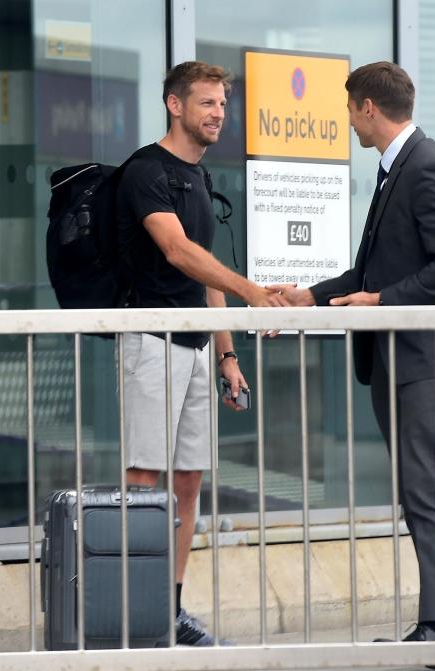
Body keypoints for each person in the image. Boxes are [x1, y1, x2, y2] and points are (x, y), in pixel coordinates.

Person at [273, 61, 435, 665]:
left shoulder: (427, 167)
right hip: (402, 353)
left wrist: (380, 301)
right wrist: (314, 295)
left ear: (369, 108)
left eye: (350, 110)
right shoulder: (395, 168)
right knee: (424, 485)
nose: (348, 121)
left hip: (423, 354)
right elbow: (375, 270)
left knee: (426, 487)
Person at [116, 61, 289, 646]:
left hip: (196, 346)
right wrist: (251, 292)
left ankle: (169, 608)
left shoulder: (199, 177)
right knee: (145, 477)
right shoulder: (145, 171)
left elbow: (206, 275)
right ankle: (133, 613)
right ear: (174, 104)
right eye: (208, 103)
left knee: (188, 479)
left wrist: (227, 356)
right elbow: (178, 252)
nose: (219, 114)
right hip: (151, 341)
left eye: (223, 104)